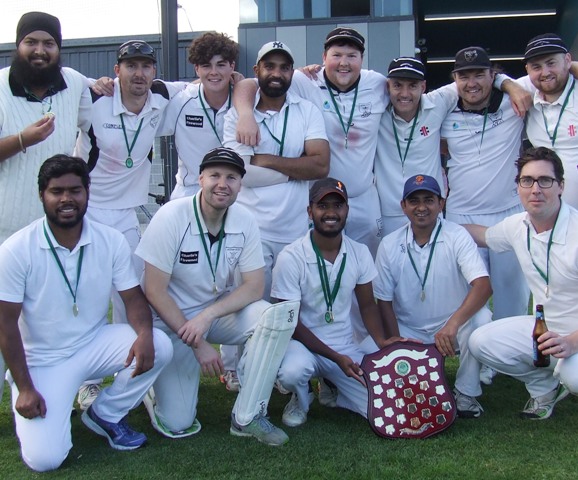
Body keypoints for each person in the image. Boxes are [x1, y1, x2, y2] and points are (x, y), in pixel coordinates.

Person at [0, 155, 172, 472]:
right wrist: (25, 387)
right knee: (46, 460)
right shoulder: (16, 249)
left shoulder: (110, 240)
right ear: (42, 195)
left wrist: (145, 335)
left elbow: (133, 299)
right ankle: (34, 395)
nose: (66, 199)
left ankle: (104, 412)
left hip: (94, 343)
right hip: (44, 358)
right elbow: (6, 324)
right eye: (57, 191)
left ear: (87, 192)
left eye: (75, 190)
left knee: (160, 345)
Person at [135, 147, 296, 446]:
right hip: (171, 324)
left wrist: (207, 318)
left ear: (240, 185)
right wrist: (198, 343)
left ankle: (247, 416)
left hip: (211, 316)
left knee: (274, 316)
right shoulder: (172, 215)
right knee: (178, 422)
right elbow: (154, 291)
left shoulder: (244, 219)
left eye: (232, 177)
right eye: (215, 175)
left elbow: (252, 285)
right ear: (200, 179)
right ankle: (152, 387)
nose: (223, 183)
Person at [0, 10, 91, 403]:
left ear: (59, 49)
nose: (40, 51)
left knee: (47, 320)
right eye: (31, 42)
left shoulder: (72, 83)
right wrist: (22, 139)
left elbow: (98, 113)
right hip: (4, 227)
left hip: (53, 230)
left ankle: (51, 390)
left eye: (48, 44)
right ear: (17, 46)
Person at [234, 27, 386, 257]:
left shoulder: (377, 83)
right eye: (337, 55)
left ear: (362, 60)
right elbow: (249, 84)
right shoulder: (304, 81)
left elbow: (409, 96)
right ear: (324, 58)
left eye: (352, 56)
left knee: (368, 266)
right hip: (321, 199)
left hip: (363, 195)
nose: (344, 63)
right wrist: (245, 114)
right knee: (322, 267)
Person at [271, 178, 399, 427]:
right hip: (302, 346)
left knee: (381, 404)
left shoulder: (359, 252)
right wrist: (334, 356)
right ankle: (301, 395)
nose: (331, 212)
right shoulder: (291, 256)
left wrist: (381, 342)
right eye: (322, 206)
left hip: (344, 347)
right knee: (292, 372)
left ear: (347, 210)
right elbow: (291, 322)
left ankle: (333, 385)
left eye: (337, 206)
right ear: (310, 211)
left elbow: (367, 306)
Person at [466, 147, 578, 420]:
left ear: (561, 186)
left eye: (545, 181)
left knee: (574, 378)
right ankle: (544, 388)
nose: (535, 189)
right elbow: (484, 235)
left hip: (575, 336)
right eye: (527, 181)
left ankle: (564, 373)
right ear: (518, 186)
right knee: (480, 341)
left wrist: (573, 343)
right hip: (548, 330)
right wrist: (439, 224)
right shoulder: (518, 225)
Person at [374, 174, 492, 418]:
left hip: (451, 327)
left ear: (441, 203)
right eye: (414, 201)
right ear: (403, 206)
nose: (421, 207)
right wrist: (396, 343)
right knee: (366, 346)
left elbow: (483, 285)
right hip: (409, 330)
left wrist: (453, 324)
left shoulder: (457, 235)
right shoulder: (389, 244)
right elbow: (383, 300)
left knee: (482, 320)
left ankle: (466, 394)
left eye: (429, 200)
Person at [441, 46, 530, 340]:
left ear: (492, 74)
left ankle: (509, 353)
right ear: (454, 78)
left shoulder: (512, 98)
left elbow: (561, 71)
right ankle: (475, 357)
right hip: (461, 215)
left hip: (509, 211)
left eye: (480, 74)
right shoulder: (443, 104)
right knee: (466, 294)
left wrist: (508, 83)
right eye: (464, 76)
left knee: (513, 296)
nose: (472, 83)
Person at [375, 57, 457, 236]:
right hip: (388, 212)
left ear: (423, 87)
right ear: (388, 86)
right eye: (397, 85)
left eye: (412, 85)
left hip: (429, 210)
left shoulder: (438, 103)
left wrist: (505, 83)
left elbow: (469, 81)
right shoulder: (376, 111)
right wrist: (310, 72)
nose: (404, 94)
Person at [158, 31, 240, 200]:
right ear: (196, 69)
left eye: (221, 65)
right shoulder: (182, 101)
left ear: (232, 66)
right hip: (190, 192)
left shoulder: (244, 101)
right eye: (206, 66)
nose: (214, 72)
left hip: (233, 193)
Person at [506, 34, 578, 210]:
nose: (545, 72)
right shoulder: (528, 88)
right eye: (536, 67)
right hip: (546, 213)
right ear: (527, 70)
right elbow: (493, 79)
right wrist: (509, 86)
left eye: (551, 63)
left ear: (567, 60)